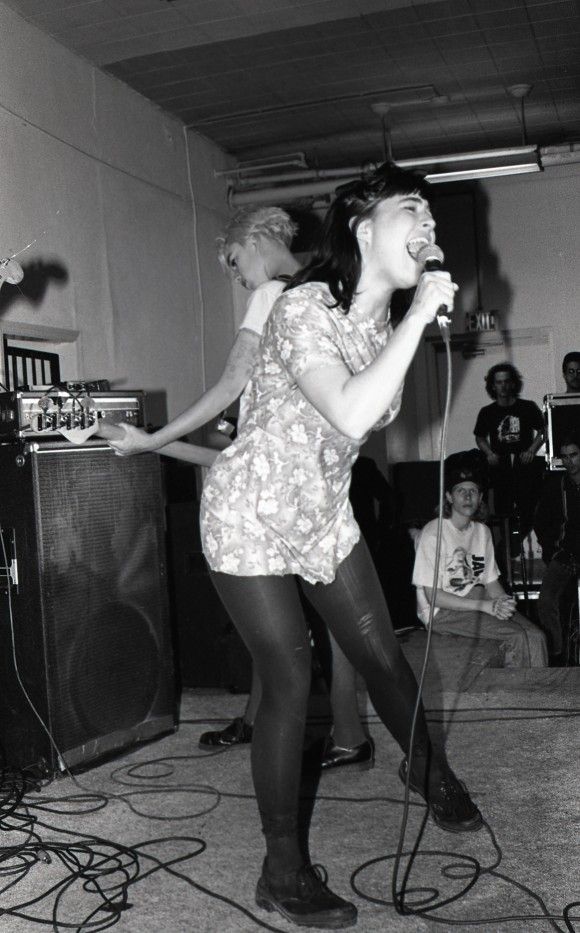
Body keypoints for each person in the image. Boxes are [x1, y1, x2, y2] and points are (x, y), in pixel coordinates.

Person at [193, 163, 483, 929]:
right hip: (250, 512)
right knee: (289, 676)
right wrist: (421, 315)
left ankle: (434, 776)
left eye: (431, 211)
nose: (427, 223)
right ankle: (280, 869)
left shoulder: (383, 325)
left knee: (383, 653)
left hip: (321, 513)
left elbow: (355, 430)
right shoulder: (300, 306)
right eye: (409, 208)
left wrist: (410, 320)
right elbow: (352, 415)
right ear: (362, 230)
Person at [107, 205, 372, 771]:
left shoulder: (274, 292)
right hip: (317, 481)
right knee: (319, 620)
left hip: (270, 495)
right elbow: (236, 446)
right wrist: (155, 442)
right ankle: (343, 734)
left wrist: (157, 439)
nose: (237, 276)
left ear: (255, 239)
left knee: (274, 620)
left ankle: (285, 728)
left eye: (233, 261)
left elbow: (230, 381)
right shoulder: (331, 292)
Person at [412, 456, 548, 668]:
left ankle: (540, 699)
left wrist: (503, 602)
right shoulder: (433, 533)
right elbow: (433, 597)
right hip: (440, 611)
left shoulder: (482, 531)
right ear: (449, 497)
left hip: (474, 597)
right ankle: (515, 698)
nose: (467, 496)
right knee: (516, 636)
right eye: (460, 491)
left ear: (481, 497)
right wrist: (486, 606)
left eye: (473, 491)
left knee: (536, 636)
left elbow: (490, 581)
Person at [474, 362, 544, 538]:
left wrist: (531, 450)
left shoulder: (527, 407)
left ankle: (519, 540)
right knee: (502, 511)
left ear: (513, 383)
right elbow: (480, 437)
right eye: (499, 382)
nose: (503, 386)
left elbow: (545, 431)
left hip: (525, 466)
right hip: (500, 467)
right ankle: (507, 549)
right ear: (493, 386)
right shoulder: (487, 412)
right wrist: (489, 453)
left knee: (529, 510)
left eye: (506, 381)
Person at [534, 430, 580, 665]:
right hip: (566, 555)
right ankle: (557, 652)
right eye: (564, 456)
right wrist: (551, 550)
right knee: (546, 601)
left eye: (573, 455)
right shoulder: (557, 486)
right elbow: (541, 521)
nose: (569, 462)